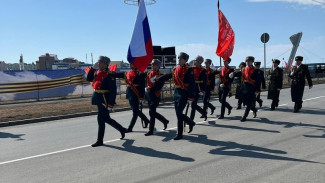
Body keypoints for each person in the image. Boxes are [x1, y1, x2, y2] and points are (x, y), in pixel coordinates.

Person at [85, 56, 127, 147]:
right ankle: (122, 129)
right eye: (98, 62)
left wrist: (110, 104)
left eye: (101, 63)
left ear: (106, 65)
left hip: (104, 99)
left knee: (100, 119)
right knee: (106, 118)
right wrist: (92, 69)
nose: (99, 64)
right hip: (98, 97)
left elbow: (113, 91)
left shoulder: (110, 75)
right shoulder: (97, 72)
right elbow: (88, 79)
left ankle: (100, 140)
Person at [163, 52, 196, 140]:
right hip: (177, 92)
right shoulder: (175, 69)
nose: (179, 60)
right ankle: (190, 122)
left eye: (181, 59)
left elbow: (192, 84)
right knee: (178, 114)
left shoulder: (189, 70)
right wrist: (158, 78)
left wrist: (191, 97)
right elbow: (168, 76)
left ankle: (180, 134)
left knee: (178, 112)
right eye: (179, 58)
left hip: (184, 93)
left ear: (185, 60)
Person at [115, 64, 150, 132]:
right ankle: (146, 120)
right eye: (131, 64)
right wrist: (111, 73)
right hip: (130, 93)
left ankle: (130, 127)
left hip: (136, 94)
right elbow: (119, 75)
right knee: (135, 110)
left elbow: (142, 85)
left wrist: (142, 97)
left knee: (135, 112)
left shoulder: (140, 73)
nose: (131, 65)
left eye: (133, 64)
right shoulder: (127, 73)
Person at [144, 59, 169, 136]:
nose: (153, 66)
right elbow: (147, 83)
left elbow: (158, 87)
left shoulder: (161, 75)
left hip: (155, 95)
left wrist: (150, 89)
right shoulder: (149, 73)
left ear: (158, 66)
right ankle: (164, 121)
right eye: (152, 65)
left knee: (152, 113)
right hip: (149, 95)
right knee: (152, 112)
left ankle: (151, 130)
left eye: (155, 65)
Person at [240, 56, 261, 122]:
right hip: (245, 87)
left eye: (249, 61)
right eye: (246, 61)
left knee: (248, 103)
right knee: (245, 102)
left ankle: (244, 117)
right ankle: (254, 109)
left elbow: (258, 81)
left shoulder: (255, 70)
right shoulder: (244, 69)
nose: (247, 62)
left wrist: (257, 90)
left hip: (251, 87)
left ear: (252, 62)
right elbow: (242, 78)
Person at [190, 55, 208, 121]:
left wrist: (202, 91)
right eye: (195, 60)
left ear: (199, 62)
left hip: (198, 88)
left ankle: (191, 120)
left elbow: (204, 81)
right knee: (193, 105)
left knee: (193, 105)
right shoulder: (191, 68)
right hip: (191, 88)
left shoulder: (203, 70)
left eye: (196, 60)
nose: (195, 61)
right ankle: (204, 112)